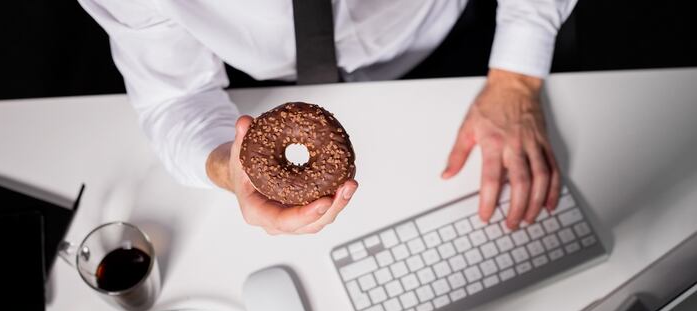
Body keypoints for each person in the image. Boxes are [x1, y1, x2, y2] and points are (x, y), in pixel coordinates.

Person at [79, 0, 576, 235]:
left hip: (445, 44)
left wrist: (517, 75)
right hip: (269, 85)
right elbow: (173, 98)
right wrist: (228, 169)